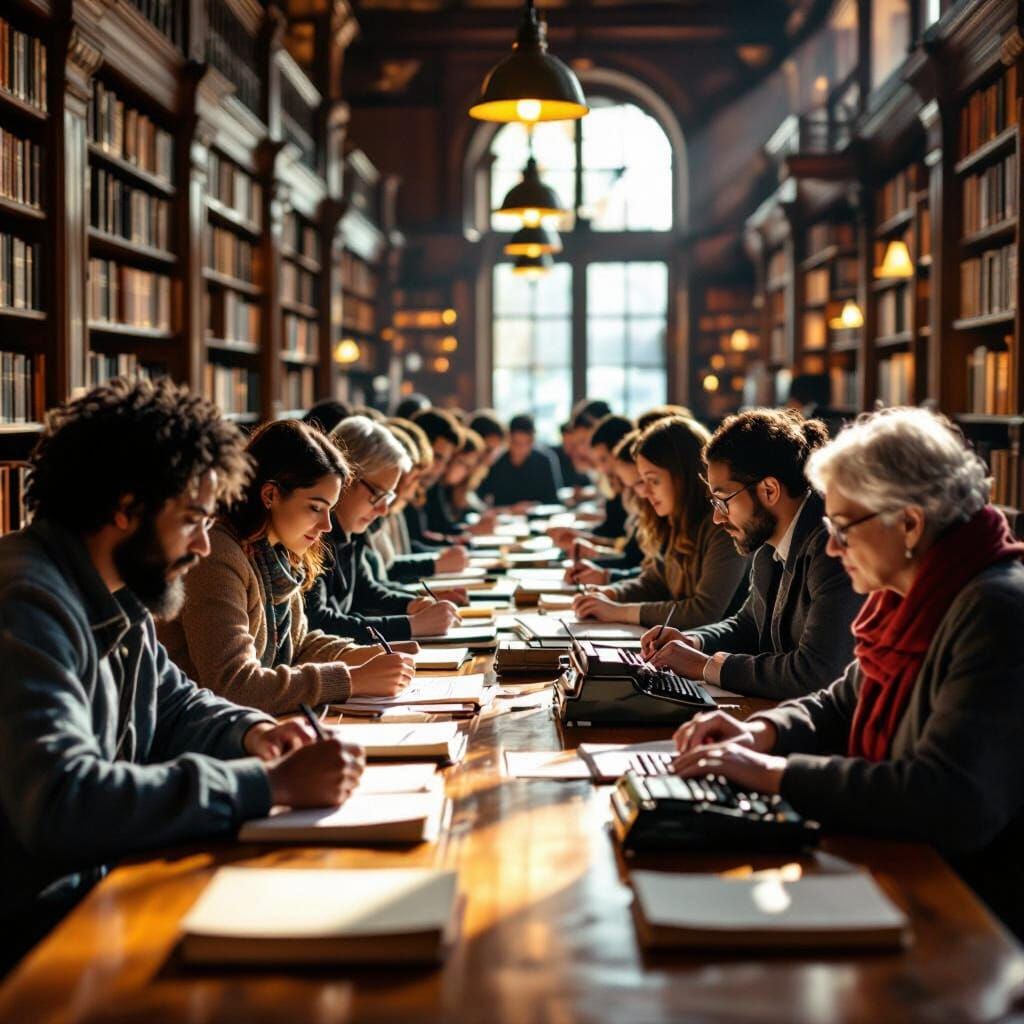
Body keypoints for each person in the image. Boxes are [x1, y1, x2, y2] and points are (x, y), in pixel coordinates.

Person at [0, 380, 365, 970]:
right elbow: (62, 801)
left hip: (101, 894)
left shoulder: (117, 590)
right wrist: (267, 786)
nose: (202, 545)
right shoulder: (27, 601)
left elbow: (175, 704)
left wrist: (254, 734)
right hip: (37, 942)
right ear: (127, 507)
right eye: (194, 518)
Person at [669, 407, 1024, 938]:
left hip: (972, 919)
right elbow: (840, 700)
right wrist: (760, 732)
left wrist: (774, 775)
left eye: (842, 527)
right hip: (903, 871)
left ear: (908, 522)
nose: (831, 546)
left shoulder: (995, 611)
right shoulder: (906, 597)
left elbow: (950, 798)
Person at [160, 419, 415, 715]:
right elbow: (234, 685)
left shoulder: (277, 552)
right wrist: (352, 678)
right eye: (316, 508)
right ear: (270, 495)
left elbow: (298, 644)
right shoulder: (216, 556)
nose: (326, 525)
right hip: (205, 738)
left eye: (330, 510)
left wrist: (361, 655)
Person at [642, 408, 864, 700]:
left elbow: (817, 672)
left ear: (769, 490)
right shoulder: (768, 546)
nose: (717, 519)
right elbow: (747, 624)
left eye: (723, 502)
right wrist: (693, 641)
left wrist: (707, 666)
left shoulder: (829, 547)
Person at [573, 416, 749, 629]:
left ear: (683, 476)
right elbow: (655, 582)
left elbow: (704, 611)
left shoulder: (722, 526)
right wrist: (611, 593)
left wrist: (617, 611)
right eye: (643, 481)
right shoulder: (675, 520)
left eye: (653, 481)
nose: (645, 493)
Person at [305, 416, 460, 643]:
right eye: (378, 494)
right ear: (345, 477)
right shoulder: (313, 535)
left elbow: (365, 591)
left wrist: (412, 604)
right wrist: (411, 626)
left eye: (389, 496)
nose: (384, 510)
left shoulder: (351, 530)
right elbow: (319, 623)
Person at [479, 413, 560, 507]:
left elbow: (554, 500)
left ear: (533, 441)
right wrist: (510, 510)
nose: (521, 449)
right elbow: (485, 500)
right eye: (516, 443)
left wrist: (534, 506)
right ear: (508, 439)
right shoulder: (496, 462)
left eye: (526, 443)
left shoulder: (545, 461)